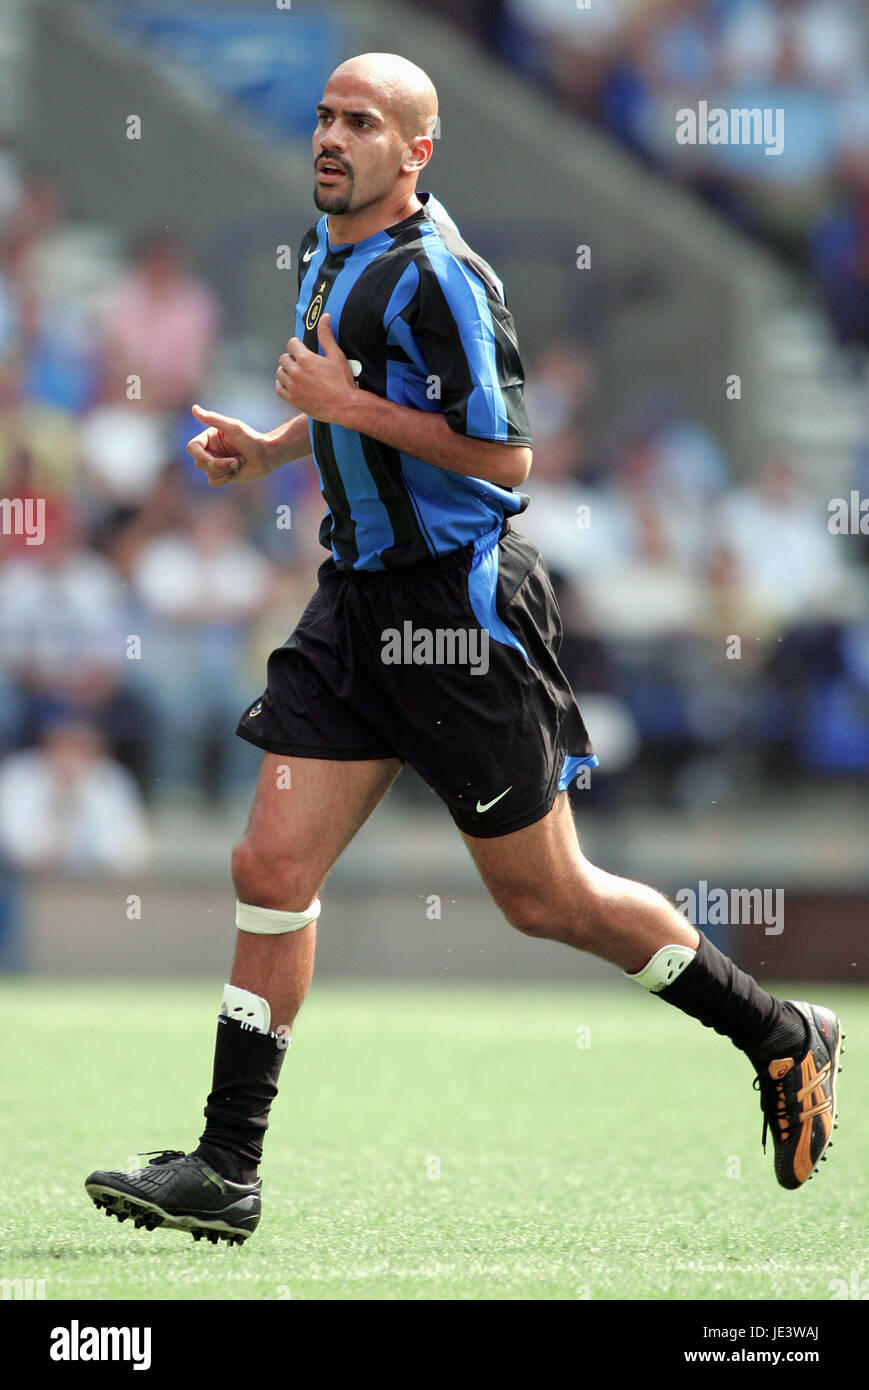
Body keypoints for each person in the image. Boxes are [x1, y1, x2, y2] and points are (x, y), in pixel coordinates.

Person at [85, 53, 842, 1246]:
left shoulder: (442, 274)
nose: (332, 137)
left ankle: (779, 1033)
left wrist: (340, 415)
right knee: (268, 868)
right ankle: (226, 1168)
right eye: (326, 116)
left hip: (458, 613)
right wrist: (275, 448)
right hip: (354, 604)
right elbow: (354, 397)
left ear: (417, 150)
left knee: (547, 900)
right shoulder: (324, 243)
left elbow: (504, 459)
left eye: (362, 122)